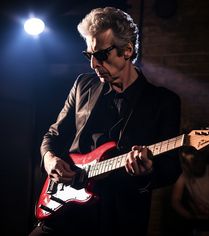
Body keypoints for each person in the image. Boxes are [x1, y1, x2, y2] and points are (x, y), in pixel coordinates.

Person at [29, 6, 181, 236]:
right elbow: (53, 135)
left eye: (101, 55)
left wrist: (146, 172)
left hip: (119, 219)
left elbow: (171, 168)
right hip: (65, 210)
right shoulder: (83, 86)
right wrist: (49, 160)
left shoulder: (163, 101)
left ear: (127, 51)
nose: (93, 65)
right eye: (89, 55)